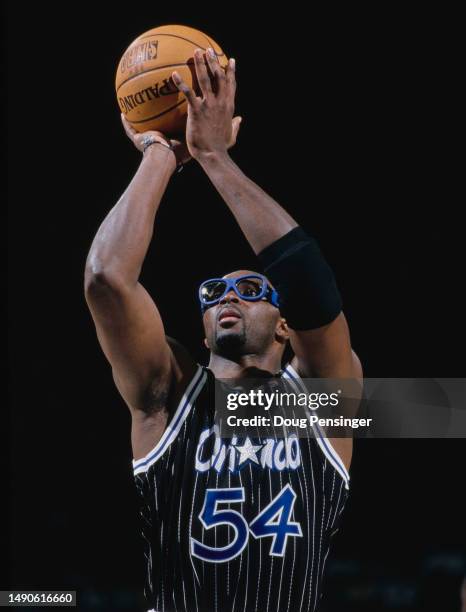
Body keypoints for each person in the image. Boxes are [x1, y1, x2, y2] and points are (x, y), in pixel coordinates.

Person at [84, 47, 362, 612]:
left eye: (253, 289)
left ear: (286, 327)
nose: (229, 294)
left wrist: (215, 158)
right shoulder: (166, 396)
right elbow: (107, 280)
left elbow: (311, 283)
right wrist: (163, 152)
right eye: (213, 292)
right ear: (204, 328)